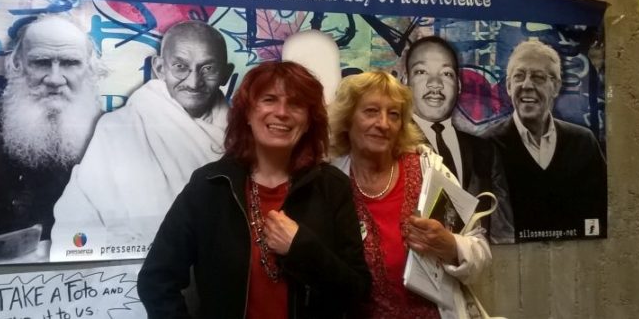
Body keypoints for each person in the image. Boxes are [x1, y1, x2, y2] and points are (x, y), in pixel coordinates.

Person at [138, 61, 371, 319]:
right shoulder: (210, 186)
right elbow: (156, 281)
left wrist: (302, 249)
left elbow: (357, 290)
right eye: (269, 99)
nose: (282, 112)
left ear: (308, 121)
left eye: (295, 104)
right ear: (247, 114)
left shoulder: (332, 186)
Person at [50, 20, 234, 259]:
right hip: (134, 269)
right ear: (159, 67)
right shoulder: (117, 128)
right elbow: (77, 218)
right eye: (180, 67)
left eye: (208, 69)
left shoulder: (243, 134)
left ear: (225, 73)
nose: (193, 82)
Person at [0, 14, 104, 266]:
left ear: (89, 69)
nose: (55, 79)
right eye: (41, 62)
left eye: (70, 63)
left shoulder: (110, 133)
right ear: (17, 64)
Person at [329, 71, 490, 319]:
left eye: (393, 114)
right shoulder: (330, 182)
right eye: (371, 111)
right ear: (348, 118)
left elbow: (480, 254)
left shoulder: (428, 171)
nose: (383, 124)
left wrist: (450, 245)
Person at [484, 40, 607, 241]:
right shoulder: (485, 146)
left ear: (556, 87)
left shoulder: (583, 143)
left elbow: (604, 215)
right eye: (519, 76)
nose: (527, 85)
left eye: (538, 77)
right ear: (508, 86)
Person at [404, 35, 515, 244]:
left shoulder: (485, 151)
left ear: (459, 85)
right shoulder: (394, 146)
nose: (435, 84)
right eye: (421, 72)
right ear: (405, 82)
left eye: (446, 74)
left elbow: (503, 232)